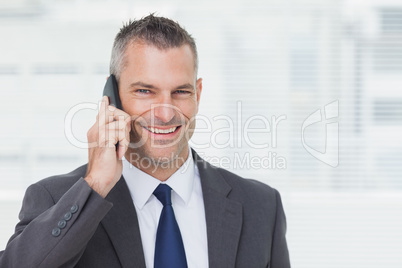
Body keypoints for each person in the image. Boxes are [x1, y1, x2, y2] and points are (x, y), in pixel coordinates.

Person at [0, 14, 290, 268]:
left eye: (180, 92)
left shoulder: (261, 207)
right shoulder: (57, 200)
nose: (165, 113)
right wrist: (96, 185)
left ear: (198, 94)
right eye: (144, 91)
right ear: (112, 96)